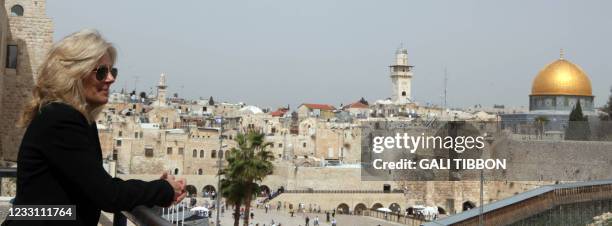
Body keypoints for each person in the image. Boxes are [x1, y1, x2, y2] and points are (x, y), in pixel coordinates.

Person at [1, 29, 187, 226]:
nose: (110, 78)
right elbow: (107, 194)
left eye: (112, 71)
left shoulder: (67, 116)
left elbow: (87, 187)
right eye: (101, 72)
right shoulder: (62, 119)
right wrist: (163, 190)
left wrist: (154, 189)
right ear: (74, 75)